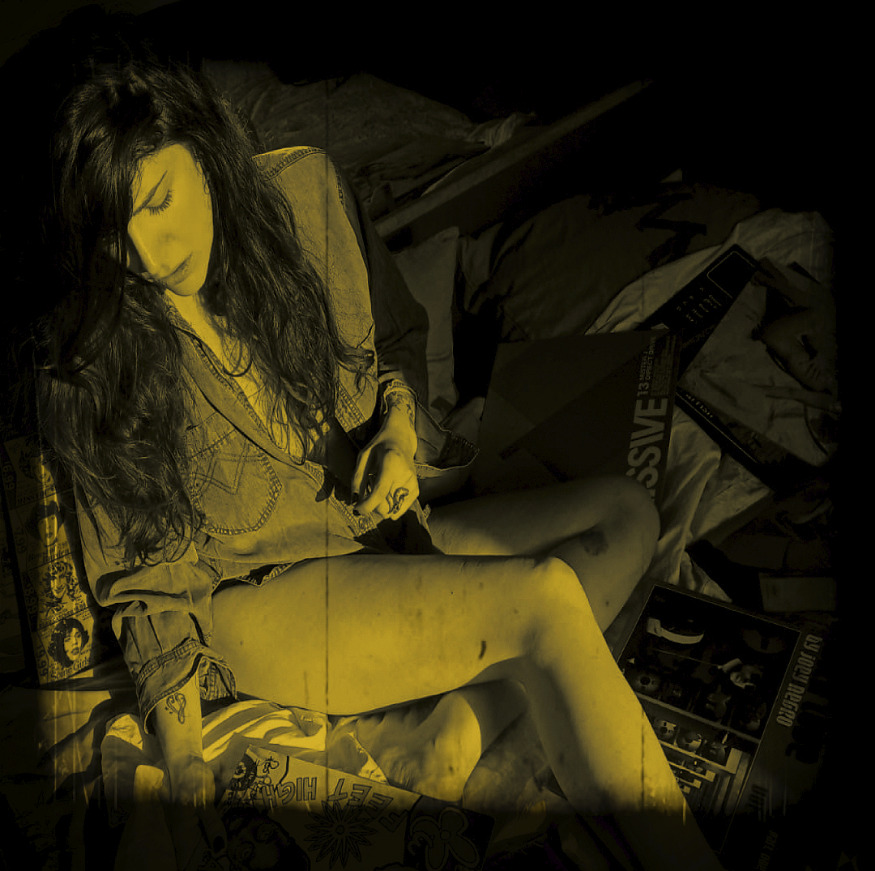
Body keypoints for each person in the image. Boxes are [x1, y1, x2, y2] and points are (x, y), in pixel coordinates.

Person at [8, 12, 721, 870]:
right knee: (546, 601)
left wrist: (397, 432)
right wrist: (185, 757)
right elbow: (144, 578)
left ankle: (450, 736)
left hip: (371, 534)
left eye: (159, 201)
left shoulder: (306, 195)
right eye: (110, 233)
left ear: (202, 142)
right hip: (261, 600)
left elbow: (386, 346)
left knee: (627, 513)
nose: (148, 254)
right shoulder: (85, 350)